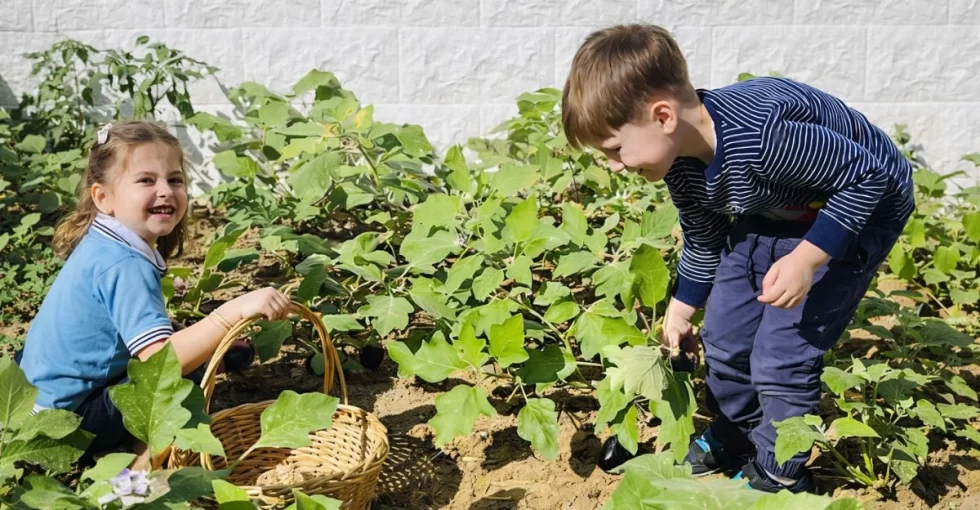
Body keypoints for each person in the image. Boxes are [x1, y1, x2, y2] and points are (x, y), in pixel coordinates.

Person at [562, 24, 913, 492]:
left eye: (614, 149)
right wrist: (682, 309)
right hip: (776, 206)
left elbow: (867, 177)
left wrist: (808, 258)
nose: (614, 166)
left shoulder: (762, 137)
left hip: (857, 210)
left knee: (781, 355)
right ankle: (737, 434)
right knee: (725, 337)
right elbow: (705, 236)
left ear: (663, 115)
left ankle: (780, 467)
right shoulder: (681, 163)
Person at [16, 120, 291, 467]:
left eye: (174, 179)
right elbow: (159, 361)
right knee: (179, 368)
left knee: (183, 342)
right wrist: (231, 312)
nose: (165, 190)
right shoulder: (124, 265)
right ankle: (143, 467)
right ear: (103, 197)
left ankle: (211, 355)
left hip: (31, 403)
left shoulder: (104, 240)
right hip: (63, 431)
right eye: (146, 180)